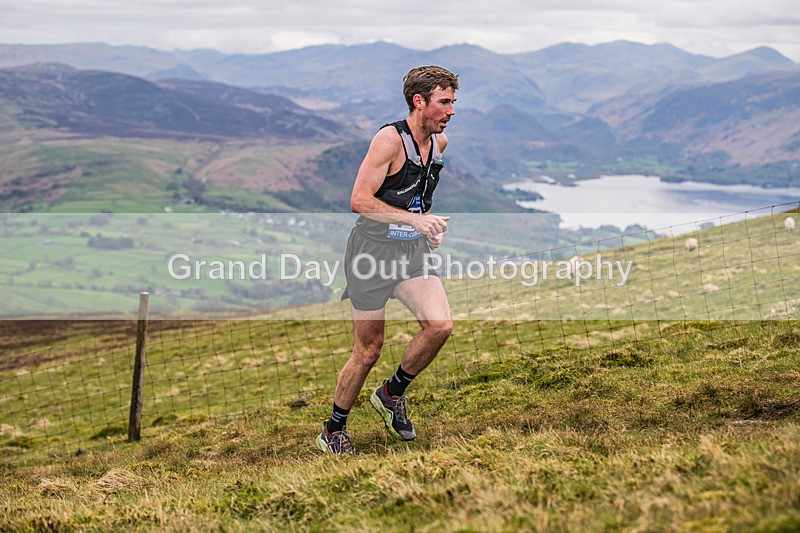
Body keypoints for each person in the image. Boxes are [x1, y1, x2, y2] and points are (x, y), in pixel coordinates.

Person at [316, 65, 459, 455]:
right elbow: (359, 200)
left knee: (440, 326)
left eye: (453, 102)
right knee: (368, 350)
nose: (451, 111)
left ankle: (391, 394)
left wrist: (429, 227)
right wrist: (415, 221)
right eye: (444, 102)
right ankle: (333, 430)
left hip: (410, 252)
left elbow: (416, 202)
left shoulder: (439, 143)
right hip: (371, 254)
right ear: (419, 101)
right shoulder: (389, 140)